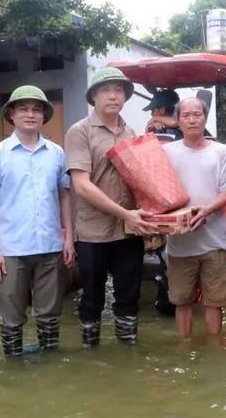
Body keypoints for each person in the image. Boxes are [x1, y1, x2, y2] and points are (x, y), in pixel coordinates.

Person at [0, 85, 75, 358]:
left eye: (36, 109)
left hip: (50, 246)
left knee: (50, 314)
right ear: (12, 114)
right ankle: (14, 367)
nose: (30, 114)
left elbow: (64, 196)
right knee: (11, 317)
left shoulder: (56, 153)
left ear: (44, 116)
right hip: (11, 249)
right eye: (24, 109)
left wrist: (68, 237)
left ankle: (50, 362)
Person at [64, 67, 158, 347]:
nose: (113, 96)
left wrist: (157, 214)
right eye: (106, 90)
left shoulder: (132, 133)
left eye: (119, 90)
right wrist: (125, 213)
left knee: (128, 296)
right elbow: (81, 185)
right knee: (92, 297)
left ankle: (128, 354)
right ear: (93, 96)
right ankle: (91, 356)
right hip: (93, 231)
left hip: (129, 230)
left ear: (126, 97)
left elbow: (141, 181)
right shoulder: (80, 132)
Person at [162, 97, 226, 338]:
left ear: (205, 118)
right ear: (178, 121)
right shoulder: (166, 152)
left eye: (197, 114)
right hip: (180, 243)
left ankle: (215, 351)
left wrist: (206, 210)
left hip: (215, 240)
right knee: (182, 301)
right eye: (186, 115)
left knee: (215, 303)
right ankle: (183, 349)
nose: (192, 119)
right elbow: (158, 191)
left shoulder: (221, 151)